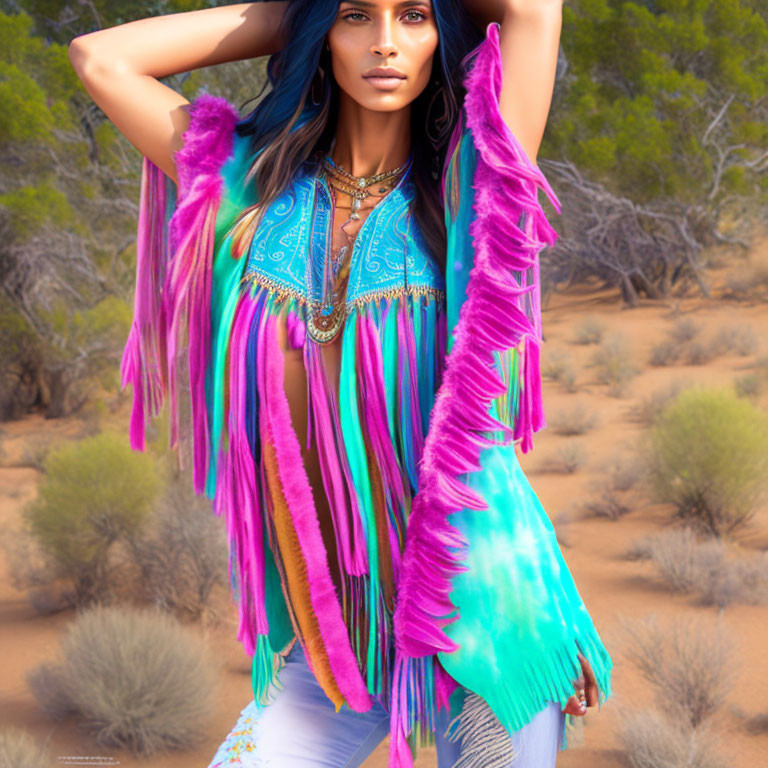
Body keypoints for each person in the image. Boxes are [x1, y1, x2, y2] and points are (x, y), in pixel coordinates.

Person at [68, 1, 613, 766]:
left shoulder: (467, 184)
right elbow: (101, 58)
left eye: (415, 16)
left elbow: (530, 8)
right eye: (357, 15)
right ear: (320, 34)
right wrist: (297, 11)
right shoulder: (248, 190)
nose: (385, 44)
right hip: (339, 641)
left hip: (490, 623)